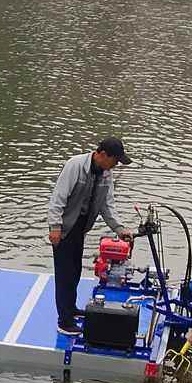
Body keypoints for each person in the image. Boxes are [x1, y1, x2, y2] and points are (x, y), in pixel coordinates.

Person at [47, 137, 133, 336]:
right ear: (102, 155)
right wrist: (55, 227)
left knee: (75, 270)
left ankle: (71, 308)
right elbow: (58, 198)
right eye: (114, 160)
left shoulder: (105, 173)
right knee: (64, 275)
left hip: (81, 227)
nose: (115, 166)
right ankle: (64, 321)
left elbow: (106, 205)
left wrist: (120, 229)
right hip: (64, 227)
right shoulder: (75, 166)